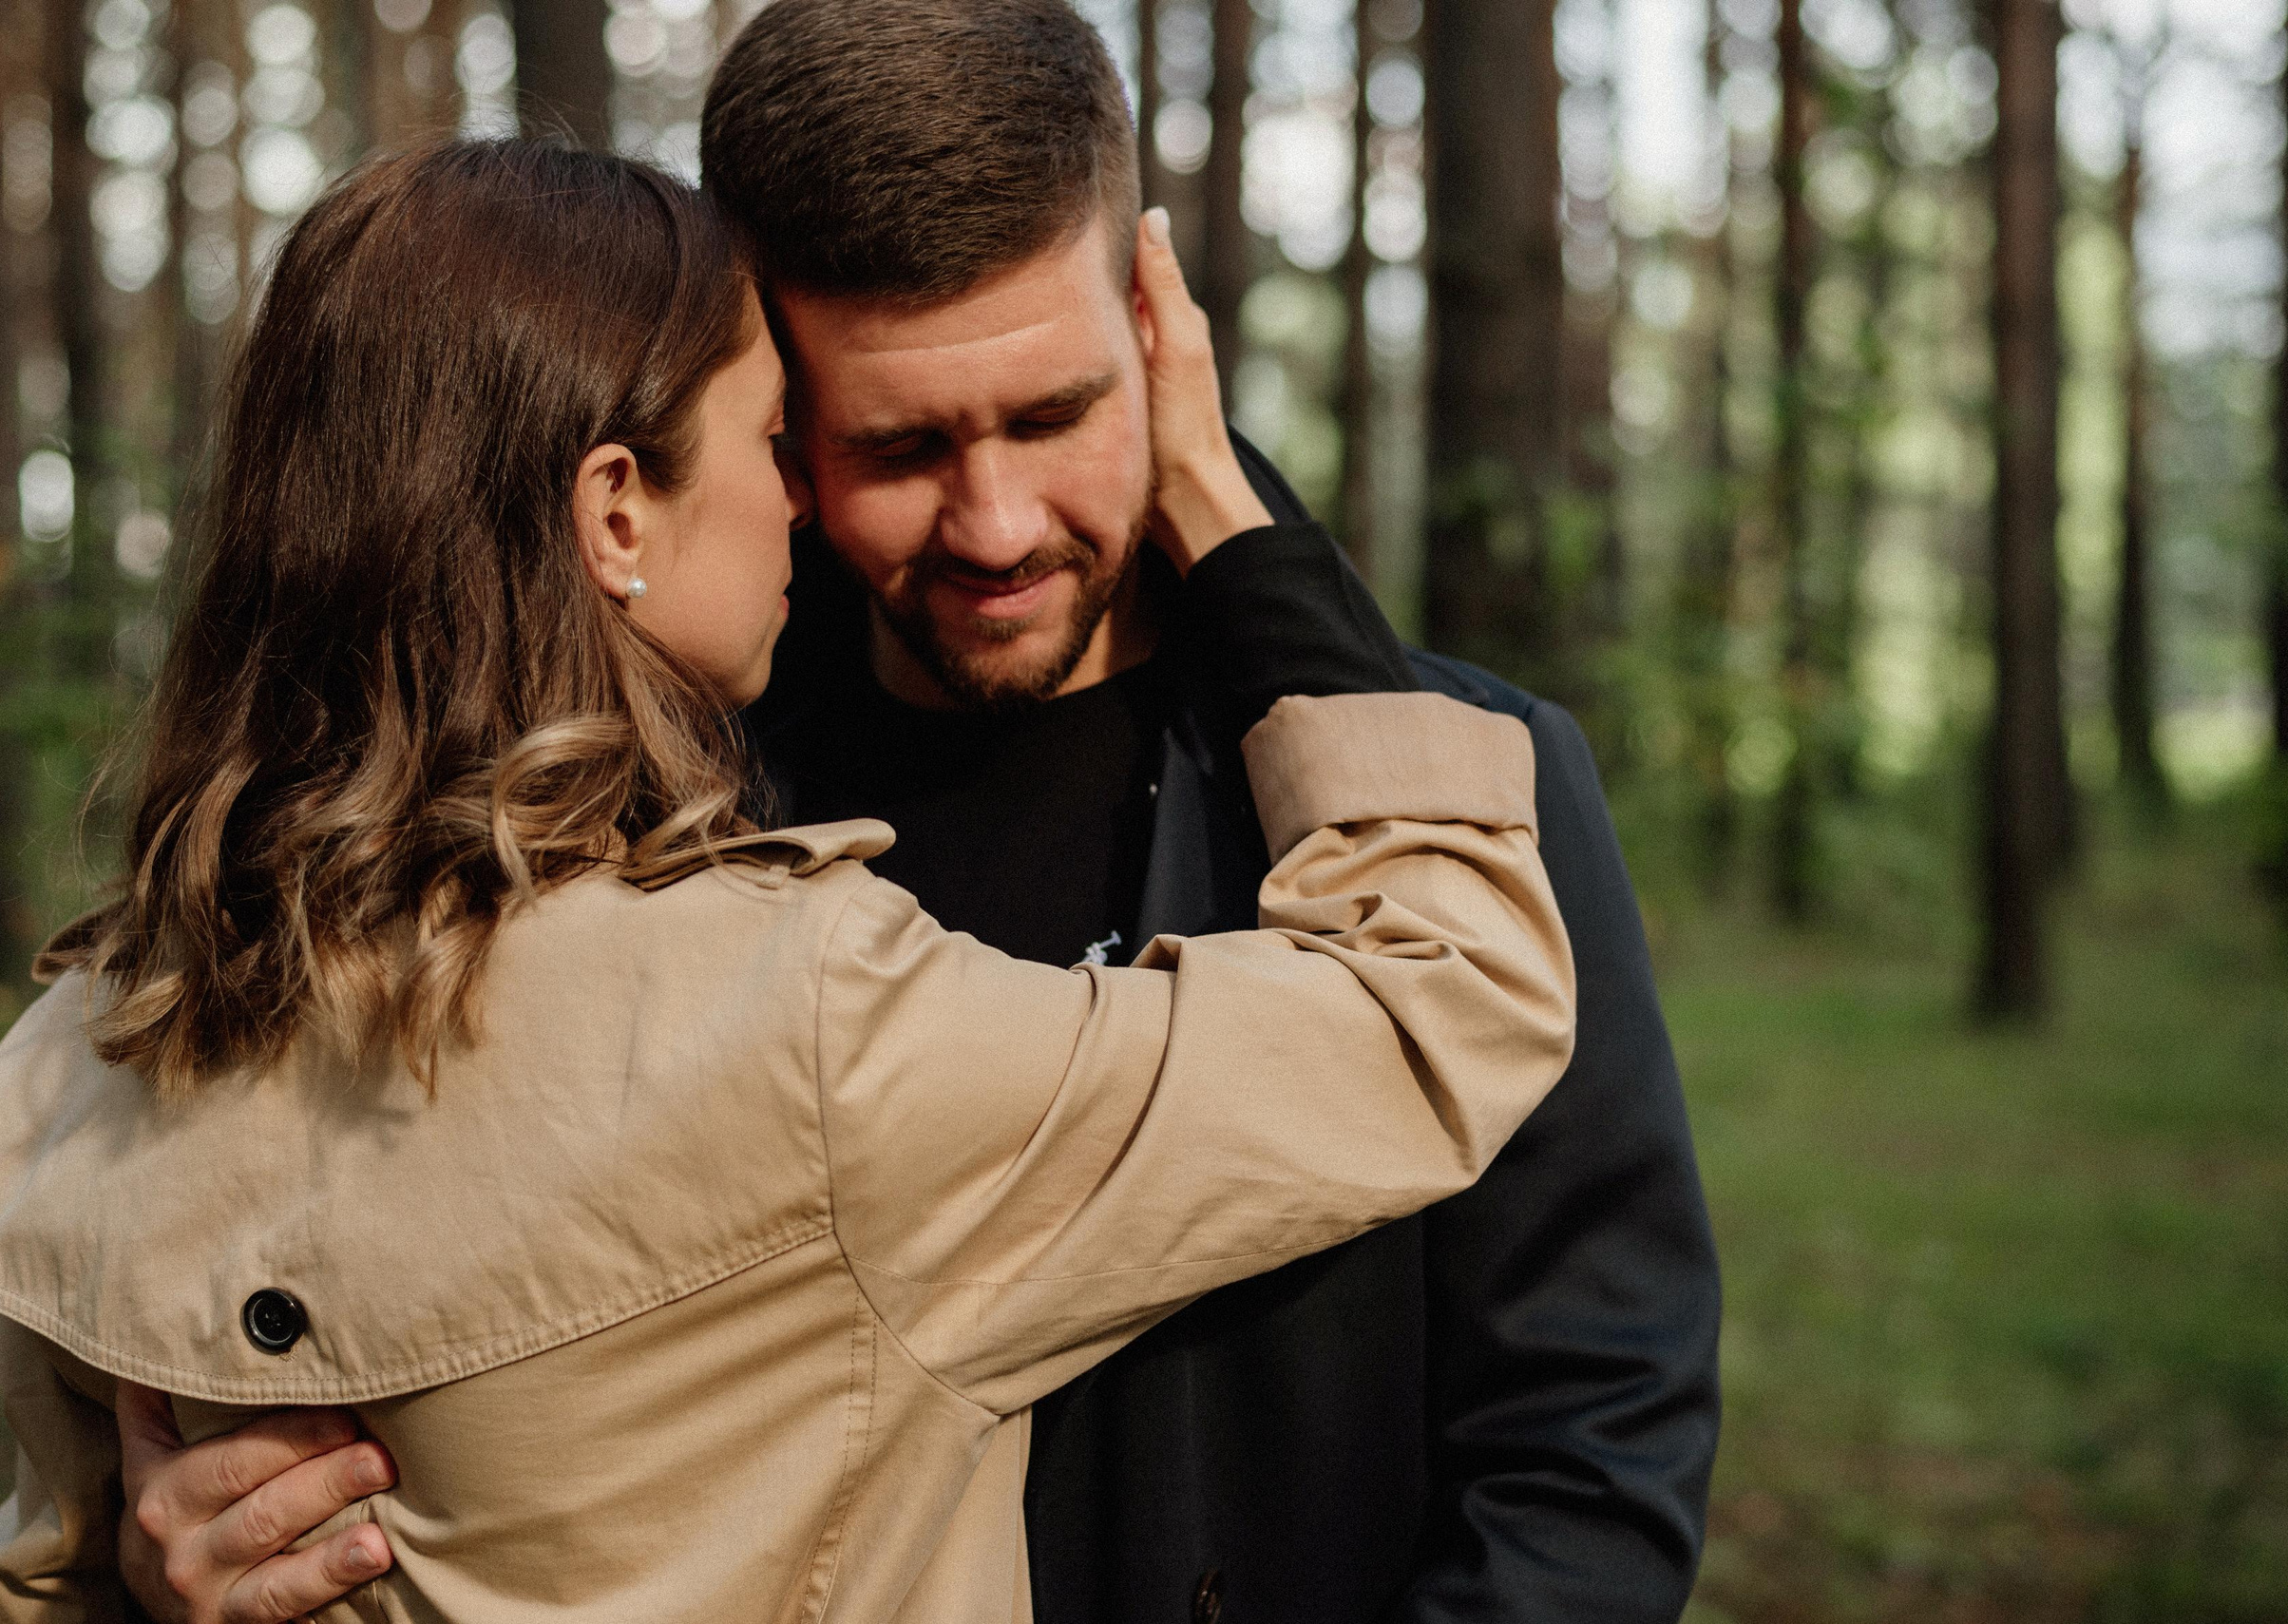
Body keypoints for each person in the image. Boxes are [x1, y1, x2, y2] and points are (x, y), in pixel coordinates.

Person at [118, 2, 1724, 1620]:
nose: (997, 523)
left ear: (1158, 336)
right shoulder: (617, 836)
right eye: (897, 445)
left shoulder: (1469, 788)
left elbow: (1590, 1438)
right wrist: (213, 1544)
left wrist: (1249, 548)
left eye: (1056, 413)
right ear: (763, 407)